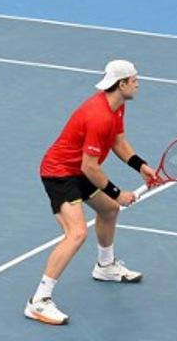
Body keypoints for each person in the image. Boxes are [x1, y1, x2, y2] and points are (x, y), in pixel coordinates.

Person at [25, 60, 158, 326]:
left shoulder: (117, 107)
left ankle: (105, 267)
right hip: (60, 173)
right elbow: (90, 166)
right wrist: (118, 192)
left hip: (79, 171)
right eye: (134, 79)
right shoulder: (99, 115)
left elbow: (119, 142)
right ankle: (38, 301)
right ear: (121, 84)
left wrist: (140, 166)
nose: (138, 83)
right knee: (76, 234)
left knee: (108, 210)